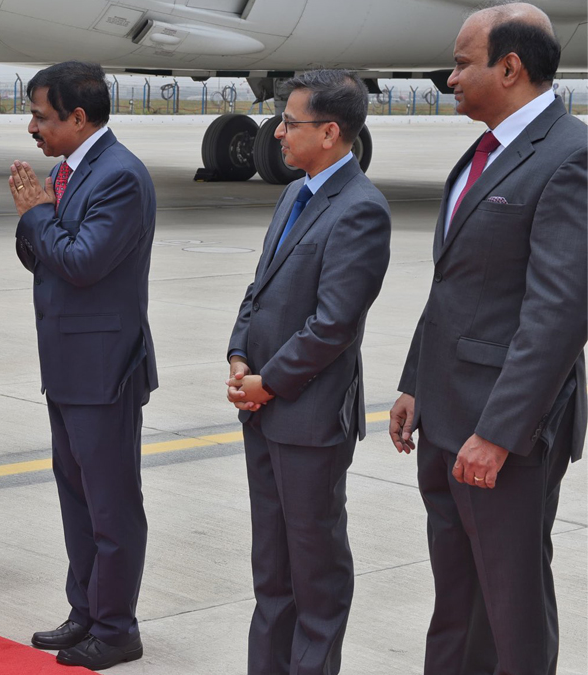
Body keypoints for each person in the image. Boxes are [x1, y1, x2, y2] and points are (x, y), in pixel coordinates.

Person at [388, 4, 586, 673]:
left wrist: (500, 431)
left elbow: (558, 314)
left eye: (462, 63)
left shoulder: (569, 157)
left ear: (510, 67)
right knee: (457, 597)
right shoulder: (486, 149)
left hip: (504, 431)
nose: (450, 79)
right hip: (446, 414)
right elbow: (457, 284)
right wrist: (416, 379)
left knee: (512, 602)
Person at [226, 70, 391, 675]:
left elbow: (333, 325)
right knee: (271, 570)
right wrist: (240, 354)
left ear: (330, 132)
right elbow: (260, 290)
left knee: (314, 573)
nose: (277, 131)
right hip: (265, 409)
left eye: (290, 122)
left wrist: (267, 383)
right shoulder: (294, 193)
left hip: (308, 417)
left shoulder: (360, 210)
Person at [10, 61, 157, 671]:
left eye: (42, 117)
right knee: (76, 497)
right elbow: (40, 256)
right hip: (67, 363)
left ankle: (117, 627)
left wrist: (40, 214)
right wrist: (37, 215)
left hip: (103, 368)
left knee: (111, 504)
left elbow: (82, 261)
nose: (32, 129)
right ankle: (87, 611)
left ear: (77, 116)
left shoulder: (119, 176)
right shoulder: (69, 171)